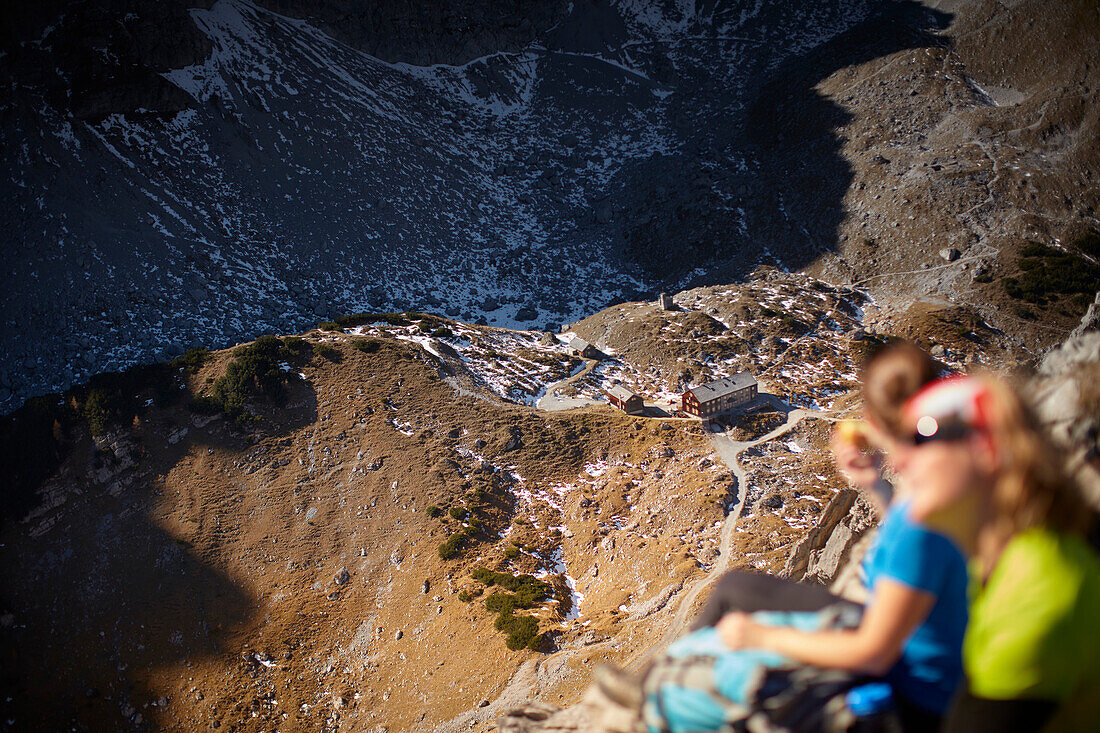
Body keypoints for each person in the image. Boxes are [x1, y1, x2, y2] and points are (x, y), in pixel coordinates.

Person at [638, 342, 969, 732]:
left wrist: (761, 635)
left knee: (733, 598)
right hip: (910, 663)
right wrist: (874, 485)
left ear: (878, 425)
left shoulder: (924, 528)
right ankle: (675, 670)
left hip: (904, 692)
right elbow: (909, 544)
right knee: (737, 586)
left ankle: (670, 680)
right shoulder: (943, 490)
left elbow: (875, 653)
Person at [894, 375, 1100, 732]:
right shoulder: (1017, 554)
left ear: (986, 447)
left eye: (920, 437)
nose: (898, 461)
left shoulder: (1039, 595)